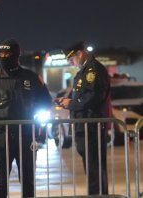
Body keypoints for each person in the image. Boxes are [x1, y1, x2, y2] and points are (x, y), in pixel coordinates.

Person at [0, 39, 52, 198]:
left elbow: (46, 101)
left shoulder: (31, 77)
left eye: (7, 53)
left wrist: (30, 112)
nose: (3, 56)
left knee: (28, 181)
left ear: (17, 55)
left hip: (27, 136)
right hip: (2, 137)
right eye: (1, 53)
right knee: (1, 183)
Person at [55, 41, 110, 195]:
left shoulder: (93, 70)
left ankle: (97, 195)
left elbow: (93, 97)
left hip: (92, 126)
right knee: (92, 169)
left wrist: (71, 103)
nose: (71, 63)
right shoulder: (84, 71)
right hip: (84, 126)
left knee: (95, 169)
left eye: (71, 59)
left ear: (79, 53)